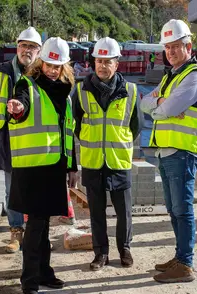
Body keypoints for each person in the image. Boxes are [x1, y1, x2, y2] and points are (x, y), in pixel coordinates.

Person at [5, 37, 78, 294]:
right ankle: (30, 280)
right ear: (41, 62)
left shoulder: (65, 92)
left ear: (64, 67)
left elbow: (67, 133)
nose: (52, 70)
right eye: (48, 64)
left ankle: (45, 272)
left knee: (45, 225)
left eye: (57, 66)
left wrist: (72, 167)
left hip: (54, 167)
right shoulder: (27, 84)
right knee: (35, 227)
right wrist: (17, 108)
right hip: (33, 168)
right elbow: (20, 103)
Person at [141, 19, 197, 283]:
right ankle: (180, 256)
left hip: (184, 151)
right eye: (167, 47)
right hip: (167, 151)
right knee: (173, 208)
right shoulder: (172, 75)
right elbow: (146, 103)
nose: (170, 52)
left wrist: (162, 105)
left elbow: (165, 110)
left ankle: (185, 263)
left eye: (176, 46)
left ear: (188, 46)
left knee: (182, 209)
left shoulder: (195, 77)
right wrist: (162, 103)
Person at [72, 37, 143, 270]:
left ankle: (125, 249)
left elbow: (136, 126)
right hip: (93, 161)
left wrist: (118, 142)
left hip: (119, 160)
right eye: (98, 60)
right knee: (96, 213)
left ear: (117, 64)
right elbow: (76, 123)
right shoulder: (81, 90)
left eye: (107, 61)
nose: (102, 65)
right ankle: (100, 253)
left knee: (124, 211)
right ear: (93, 62)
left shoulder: (131, 91)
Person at [0, 27, 42, 254]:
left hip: (36, 142)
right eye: (23, 46)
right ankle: (16, 231)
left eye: (32, 47)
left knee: (36, 188)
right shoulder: (2, 73)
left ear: (39, 51)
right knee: (12, 190)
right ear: (17, 47)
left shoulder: (42, 74)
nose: (27, 50)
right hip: (10, 141)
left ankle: (36, 231)